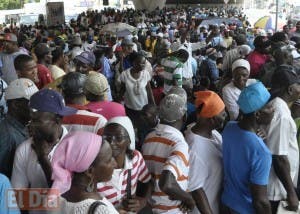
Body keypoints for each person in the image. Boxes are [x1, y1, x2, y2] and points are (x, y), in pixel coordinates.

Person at [222, 81, 274, 214]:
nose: (273, 109)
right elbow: (260, 201)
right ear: (257, 114)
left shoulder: (229, 128)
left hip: (226, 201)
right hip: (245, 209)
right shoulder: (261, 152)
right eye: (269, 107)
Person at [11, 89, 76, 189]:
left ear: (58, 119)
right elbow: (17, 194)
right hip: (32, 204)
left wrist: (42, 157)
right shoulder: (24, 149)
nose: (31, 126)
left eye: (37, 121)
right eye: (31, 120)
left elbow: (67, 194)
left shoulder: (75, 149)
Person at [142, 93, 195, 214]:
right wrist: (189, 199)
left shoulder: (149, 137)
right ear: (184, 117)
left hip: (153, 207)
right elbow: (167, 183)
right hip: (172, 210)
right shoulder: (179, 144)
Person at [49, 131, 119, 214]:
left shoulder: (55, 196)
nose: (115, 164)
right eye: (109, 160)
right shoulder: (101, 211)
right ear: (90, 171)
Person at [98, 116, 152, 212]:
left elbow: (147, 182)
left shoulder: (136, 158)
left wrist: (143, 201)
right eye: (107, 137)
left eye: (118, 138)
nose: (111, 142)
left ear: (129, 140)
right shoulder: (97, 165)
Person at [266, 65, 300, 213]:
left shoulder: (278, 106)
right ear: (290, 90)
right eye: (298, 85)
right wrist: (292, 193)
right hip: (277, 188)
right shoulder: (282, 115)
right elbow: (278, 157)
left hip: (279, 184)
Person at [185, 91, 226, 214]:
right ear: (213, 119)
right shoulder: (195, 149)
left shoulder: (213, 133)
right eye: (223, 114)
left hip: (216, 203)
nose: (226, 116)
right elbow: (196, 189)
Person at [0, 78, 38, 178]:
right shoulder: (6, 135)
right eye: (32, 102)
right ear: (16, 105)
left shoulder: (24, 126)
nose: (37, 107)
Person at [118, 53, 155, 126]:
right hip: (130, 108)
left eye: (144, 63)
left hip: (144, 108)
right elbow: (122, 90)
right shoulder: (125, 75)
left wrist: (153, 105)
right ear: (133, 63)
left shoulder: (146, 74)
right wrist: (118, 104)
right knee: (132, 126)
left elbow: (149, 91)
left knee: (143, 127)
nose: (143, 65)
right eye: (140, 63)